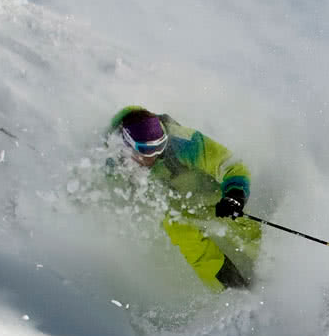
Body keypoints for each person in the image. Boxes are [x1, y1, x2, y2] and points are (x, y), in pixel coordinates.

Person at [108, 105, 259, 291]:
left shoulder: (183, 142)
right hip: (174, 209)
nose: (155, 155)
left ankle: (274, 266)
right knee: (187, 238)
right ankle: (234, 290)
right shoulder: (112, 157)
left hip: (210, 195)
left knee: (239, 225)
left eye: (160, 146)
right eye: (148, 150)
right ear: (128, 144)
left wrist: (235, 194)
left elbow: (230, 164)